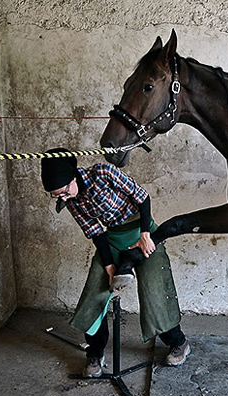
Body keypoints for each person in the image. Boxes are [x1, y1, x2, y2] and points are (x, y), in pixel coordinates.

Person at [41, 148, 190, 378]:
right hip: (113, 239)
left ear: (73, 177)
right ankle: (95, 353)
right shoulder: (71, 202)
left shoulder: (103, 173)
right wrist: (109, 266)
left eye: (62, 192)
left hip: (142, 231)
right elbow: (96, 233)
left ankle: (178, 342)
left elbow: (142, 197)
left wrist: (145, 235)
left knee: (154, 288)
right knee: (95, 291)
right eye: (56, 195)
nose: (62, 197)